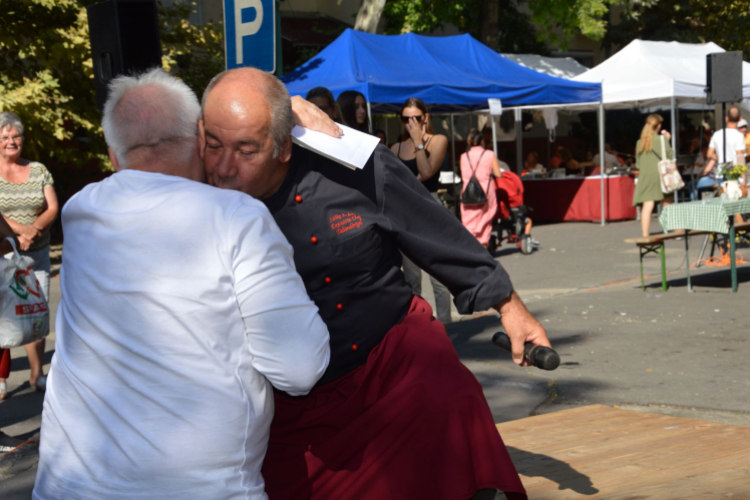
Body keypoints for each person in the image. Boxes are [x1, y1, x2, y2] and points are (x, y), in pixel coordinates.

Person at [200, 67, 551, 500]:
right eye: (213, 145)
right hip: (288, 408)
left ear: (284, 146)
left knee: (453, 398)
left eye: (246, 150)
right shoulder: (191, 182)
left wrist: (508, 305)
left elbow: (436, 232)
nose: (223, 167)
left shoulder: (353, 164)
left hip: (392, 363)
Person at [32, 69, 331, 500]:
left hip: (67, 486)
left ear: (114, 158)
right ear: (199, 135)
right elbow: (300, 369)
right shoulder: (237, 217)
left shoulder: (81, 211)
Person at [0, 112, 58, 399]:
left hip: (37, 256)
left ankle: (37, 375)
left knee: (35, 315)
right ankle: (1, 379)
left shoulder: (38, 169)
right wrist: (21, 231)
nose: (11, 141)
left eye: (15, 136)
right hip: (3, 258)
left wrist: (34, 230)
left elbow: (52, 207)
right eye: (5, 137)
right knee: (2, 316)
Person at [389, 97, 452, 324]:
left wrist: (418, 142)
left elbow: (426, 173)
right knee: (412, 276)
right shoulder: (395, 148)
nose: (411, 123)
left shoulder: (437, 140)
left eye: (416, 118)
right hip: (405, 212)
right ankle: (418, 328)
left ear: (425, 117)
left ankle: (445, 328)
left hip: (430, 207)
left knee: (438, 277)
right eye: (406, 119)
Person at [690, 107, 747, 199]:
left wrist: (720, 157)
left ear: (726, 118)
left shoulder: (717, 134)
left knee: (725, 200)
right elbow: (740, 158)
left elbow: (709, 154)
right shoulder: (739, 136)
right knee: (736, 200)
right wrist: (744, 179)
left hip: (721, 173)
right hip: (735, 174)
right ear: (740, 119)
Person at [632, 114, 673, 237]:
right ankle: (670, 230)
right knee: (667, 202)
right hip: (661, 176)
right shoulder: (662, 139)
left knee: (648, 204)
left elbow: (638, 164)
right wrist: (668, 139)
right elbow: (670, 157)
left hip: (646, 176)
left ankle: (645, 234)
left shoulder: (639, 142)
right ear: (659, 126)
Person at [460, 128, 501, 248]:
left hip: (468, 192)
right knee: (485, 220)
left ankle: (469, 248)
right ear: (482, 141)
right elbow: (498, 174)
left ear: (469, 142)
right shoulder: (489, 154)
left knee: (469, 219)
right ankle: (483, 247)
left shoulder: (463, 156)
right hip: (486, 191)